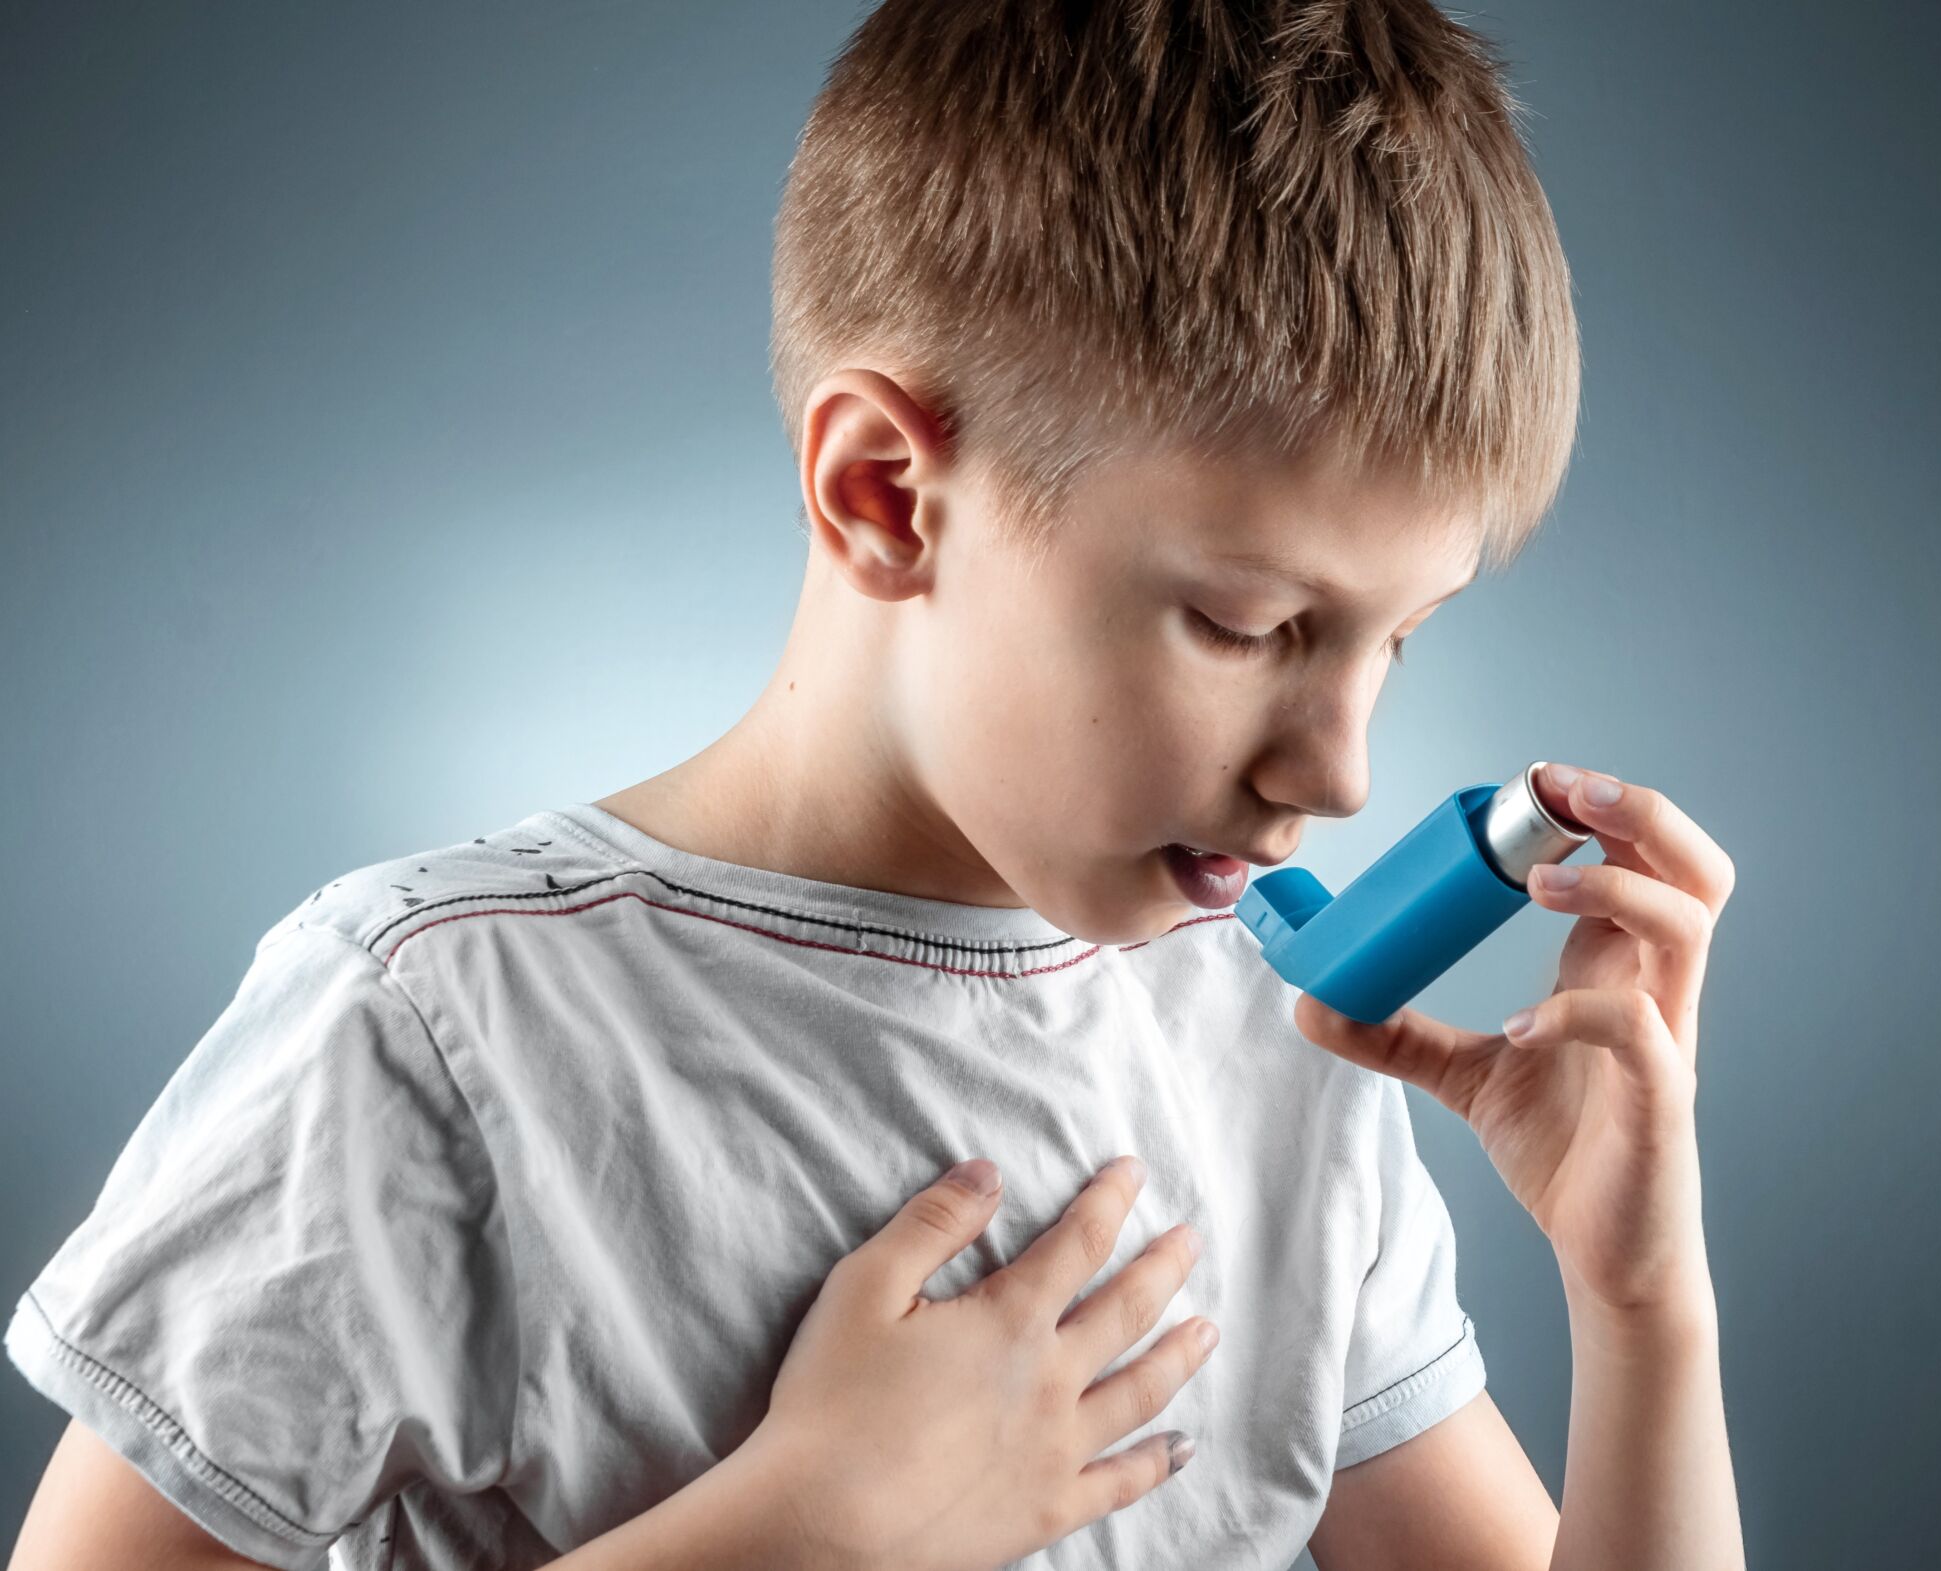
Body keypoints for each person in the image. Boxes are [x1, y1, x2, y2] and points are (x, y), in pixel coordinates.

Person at [6, 2, 1743, 1566]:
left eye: (1400, 639)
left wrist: (1642, 1306)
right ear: (888, 494)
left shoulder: (1277, 1051)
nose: (1342, 773)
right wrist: (798, 1538)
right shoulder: (428, 1035)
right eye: (1247, 622)